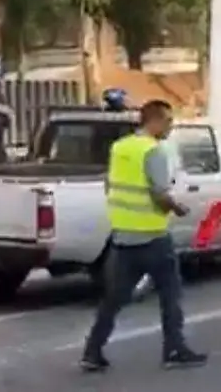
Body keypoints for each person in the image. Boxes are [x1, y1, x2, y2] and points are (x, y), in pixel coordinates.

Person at [80, 99, 206, 371]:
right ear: (155, 121)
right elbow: (160, 194)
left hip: (122, 238)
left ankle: (92, 351)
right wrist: (179, 209)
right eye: (169, 121)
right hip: (153, 238)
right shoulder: (154, 152)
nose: (171, 127)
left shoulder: (120, 147)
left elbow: (109, 183)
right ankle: (174, 350)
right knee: (170, 295)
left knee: (113, 299)